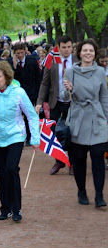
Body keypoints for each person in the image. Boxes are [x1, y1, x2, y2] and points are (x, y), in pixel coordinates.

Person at [0, 61, 39, 222]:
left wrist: (35, 138)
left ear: (7, 77)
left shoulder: (18, 92)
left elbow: (32, 115)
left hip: (15, 137)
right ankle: (5, 208)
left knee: (12, 169)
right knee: (1, 174)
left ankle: (16, 208)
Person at [63, 39, 108, 208]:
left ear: (95, 53)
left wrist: (106, 117)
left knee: (98, 159)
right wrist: (69, 89)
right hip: (78, 119)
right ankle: (81, 191)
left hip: (97, 118)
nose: (88, 53)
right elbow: (64, 96)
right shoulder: (70, 71)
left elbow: (104, 96)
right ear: (79, 53)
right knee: (79, 160)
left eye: (91, 50)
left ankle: (99, 195)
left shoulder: (100, 72)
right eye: (85, 50)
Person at [35, 35, 75, 175]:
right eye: (63, 47)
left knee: (72, 133)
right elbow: (45, 82)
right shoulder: (51, 59)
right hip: (55, 101)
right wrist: (39, 102)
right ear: (58, 47)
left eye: (69, 47)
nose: (66, 50)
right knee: (56, 132)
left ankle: (73, 162)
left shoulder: (78, 61)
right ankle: (59, 161)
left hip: (73, 102)